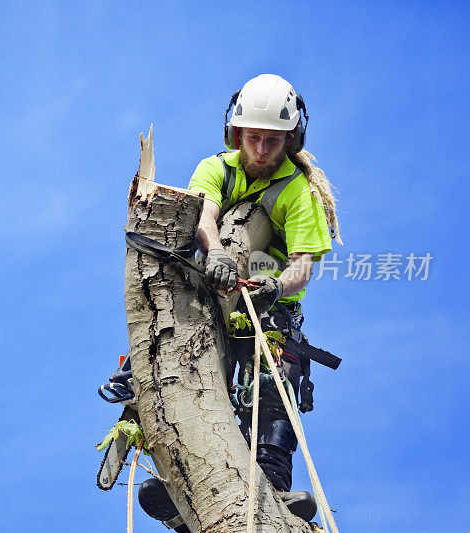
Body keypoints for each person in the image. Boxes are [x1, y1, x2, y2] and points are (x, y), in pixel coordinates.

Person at [138, 74, 342, 528]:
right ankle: (187, 483)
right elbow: (205, 215)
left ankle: (273, 486)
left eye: (273, 140)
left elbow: (303, 264)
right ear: (236, 135)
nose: (263, 150)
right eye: (254, 138)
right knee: (183, 378)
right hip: (209, 301)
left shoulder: (297, 191)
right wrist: (217, 254)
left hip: (268, 313)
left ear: (291, 139)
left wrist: (276, 288)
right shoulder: (216, 168)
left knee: (270, 386)